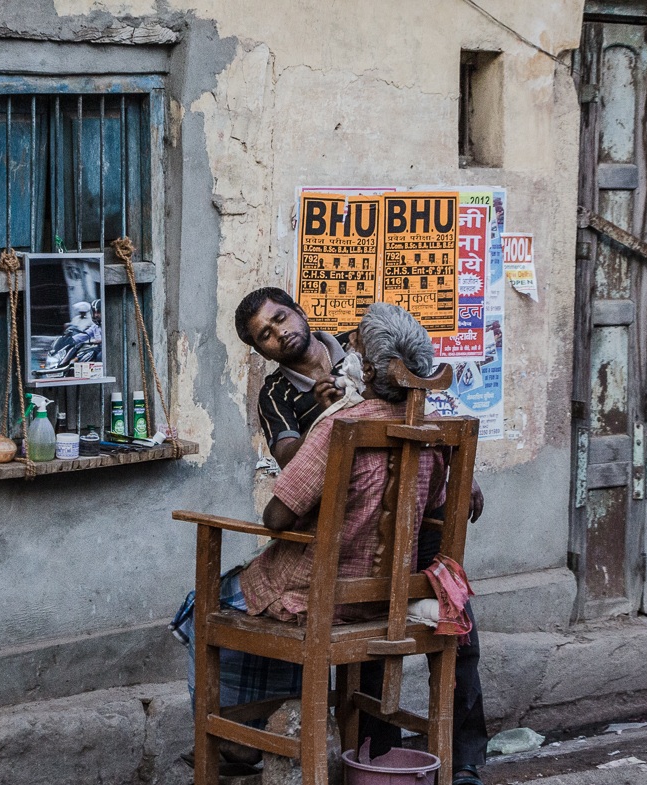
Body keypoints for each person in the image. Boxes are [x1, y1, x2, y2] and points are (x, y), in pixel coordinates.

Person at [173, 303, 452, 770]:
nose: (352, 355)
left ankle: (230, 734)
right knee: (257, 604)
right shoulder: (435, 432)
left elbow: (278, 515)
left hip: (324, 596)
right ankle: (248, 728)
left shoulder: (340, 426)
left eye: (358, 349)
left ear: (366, 367)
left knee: (202, 608)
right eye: (265, 332)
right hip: (392, 597)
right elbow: (440, 510)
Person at [234, 288, 488, 785]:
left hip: (414, 523)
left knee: (461, 637)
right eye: (265, 334)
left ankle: (466, 763)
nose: (279, 333)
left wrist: (460, 465)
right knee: (373, 645)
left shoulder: (361, 347)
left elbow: (419, 402)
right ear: (260, 350)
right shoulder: (278, 396)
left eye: (281, 318)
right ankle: (373, 758)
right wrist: (326, 421)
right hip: (352, 528)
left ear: (300, 311)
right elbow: (294, 464)